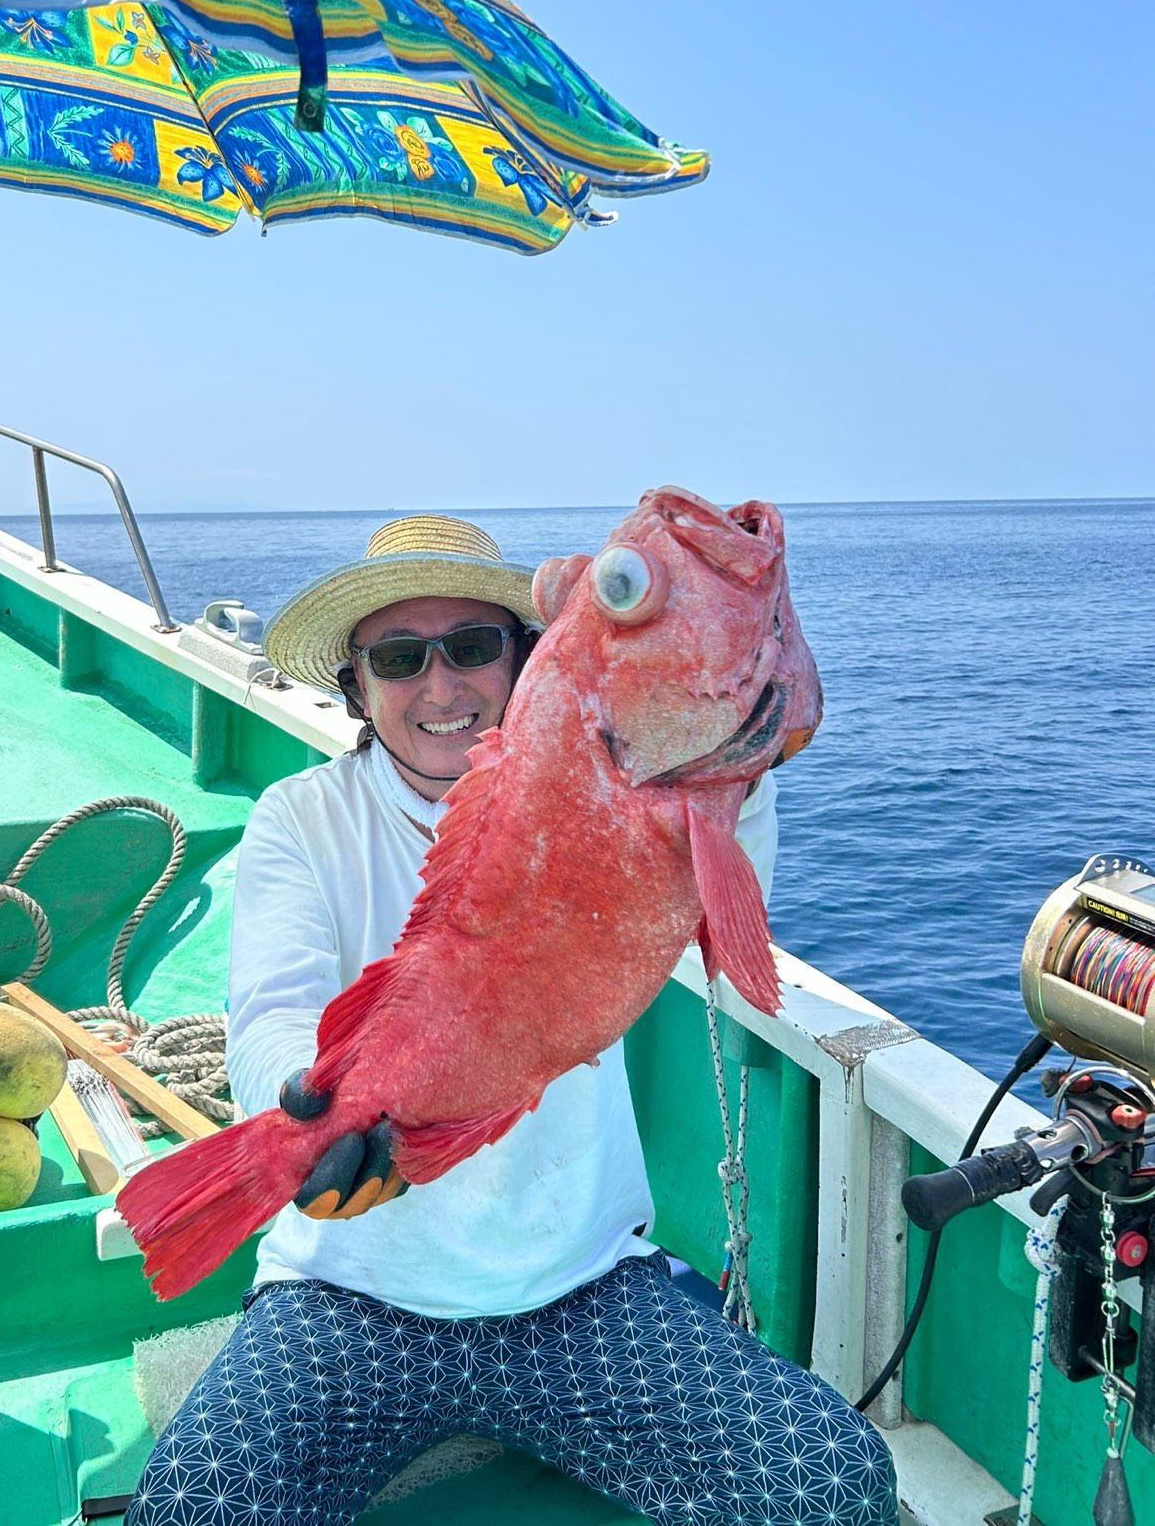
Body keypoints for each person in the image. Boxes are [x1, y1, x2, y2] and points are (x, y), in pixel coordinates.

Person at [128, 516, 896, 1526]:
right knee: (191, 1507)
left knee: (831, 1479)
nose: (441, 686)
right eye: (400, 658)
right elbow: (273, 1012)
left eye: (474, 646)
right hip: (348, 1296)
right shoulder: (300, 815)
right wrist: (314, 1115)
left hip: (579, 1288)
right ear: (357, 687)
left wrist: (746, 736)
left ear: (525, 657)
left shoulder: (665, 792)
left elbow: (732, 871)